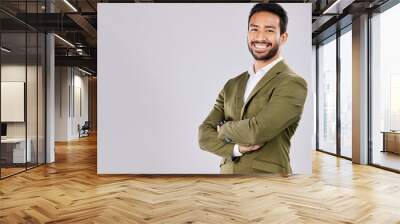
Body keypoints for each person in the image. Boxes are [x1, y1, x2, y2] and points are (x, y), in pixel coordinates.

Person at [198, 3, 308, 176]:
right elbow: (203, 136)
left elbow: (257, 132)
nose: (260, 37)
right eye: (254, 29)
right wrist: (235, 148)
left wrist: (223, 128)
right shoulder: (232, 84)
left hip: (268, 184)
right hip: (226, 180)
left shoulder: (292, 83)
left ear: (283, 37)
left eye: (269, 30)